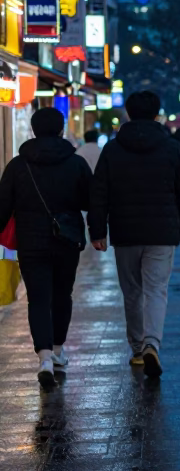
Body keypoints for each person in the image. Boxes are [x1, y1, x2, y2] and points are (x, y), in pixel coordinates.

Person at [89, 91, 180, 378]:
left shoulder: (113, 149)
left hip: (125, 230)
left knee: (132, 291)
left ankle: (137, 348)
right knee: (156, 289)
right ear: (157, 114)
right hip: (163, 230)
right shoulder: (172, 148)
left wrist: (97, 231)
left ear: (128, 113)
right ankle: (152, 343)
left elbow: (99, 192)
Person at [0, 108, 92, 387]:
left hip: (31, 242)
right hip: (67, 239)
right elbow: (90, 201)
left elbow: (3, 207)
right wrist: (98, 230)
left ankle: (44, 358)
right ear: (61, 130)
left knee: (38, 299)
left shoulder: (18, 165)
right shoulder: (75, 164)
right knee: (63, 295)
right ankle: (59, 350)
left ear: (33, 130)